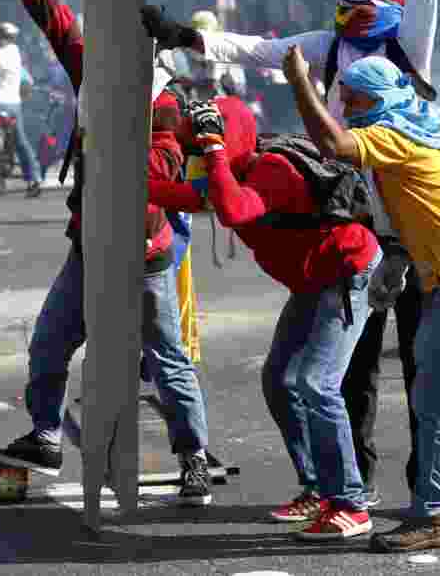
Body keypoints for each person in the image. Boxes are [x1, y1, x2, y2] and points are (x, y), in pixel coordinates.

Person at [142, 0, 437, 509]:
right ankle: (344, 488)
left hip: (411, 227)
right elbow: (254, 50)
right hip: (355, 221)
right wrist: (187, 37)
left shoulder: (410, 46)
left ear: (386, 12)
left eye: (356, 5)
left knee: (424, 371)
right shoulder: (326, 49)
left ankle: (435, 498)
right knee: (348, 378)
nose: (344, 14)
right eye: (341, 3)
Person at [0, 0, 215, 505]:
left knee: (168, 360)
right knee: (49, 343)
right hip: (91, 245)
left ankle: (193, 461)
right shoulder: (97, 67)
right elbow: (57, 24)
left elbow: (157, 180)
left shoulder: (163, 109)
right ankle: (46, 435)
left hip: (141, 254)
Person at [284, 47, 440, 553]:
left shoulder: (393, 134)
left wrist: (301, 83)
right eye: (341, 98)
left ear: (379, 99)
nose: (345, 107)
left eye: (353, 98)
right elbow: (414, 211)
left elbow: (332, 144)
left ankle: (434, 516)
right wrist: (396, 258)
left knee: (438, 404)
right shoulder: (417, 124)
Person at [148, 94, 381, 541]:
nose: (195, 160)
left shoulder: (271, 170)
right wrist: (125, 180)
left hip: (346, 273)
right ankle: (317, 489)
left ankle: (351, 502)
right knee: (279, 378)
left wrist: (213, 147)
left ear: (227, 142)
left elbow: (234, 210)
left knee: (317, 382)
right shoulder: (230, 172)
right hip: (314, 281)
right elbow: (185, 195)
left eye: (200, 150)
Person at [0, 21, 42, 198]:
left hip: (5, 105)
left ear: (3, 37)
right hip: (0, 104)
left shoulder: (10, 52)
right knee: (17, 142)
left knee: (20, 141)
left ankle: (33, 178)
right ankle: (26, 178)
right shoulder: (2, 52)